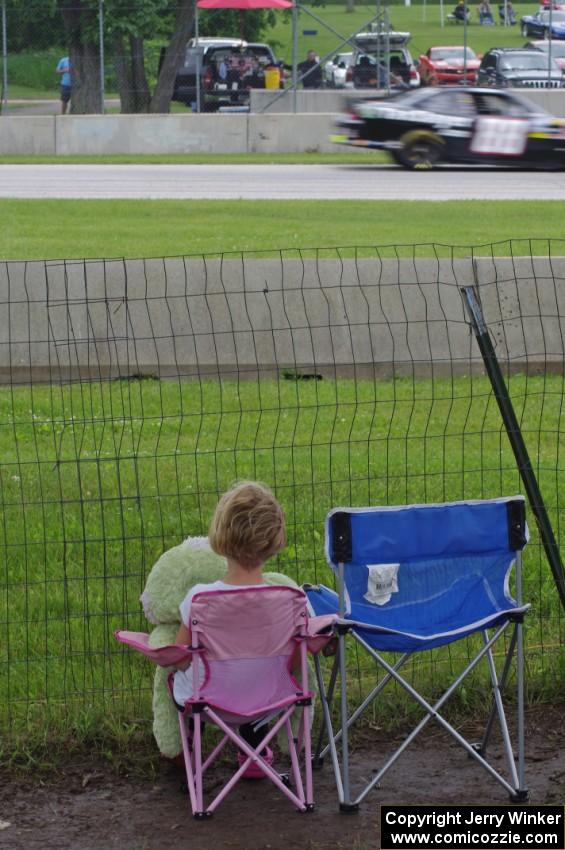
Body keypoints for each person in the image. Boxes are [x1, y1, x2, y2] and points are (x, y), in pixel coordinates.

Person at [172, 480, 287, 778]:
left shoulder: (199, 599)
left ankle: (187, 758)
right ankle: (254, 750)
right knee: (258, 676)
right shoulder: (289, 600)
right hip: (270, 698)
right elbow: (293, 659)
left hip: (210, 700)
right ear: (274, 538)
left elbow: (181, 656)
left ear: (220, 535)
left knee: (173, 679)